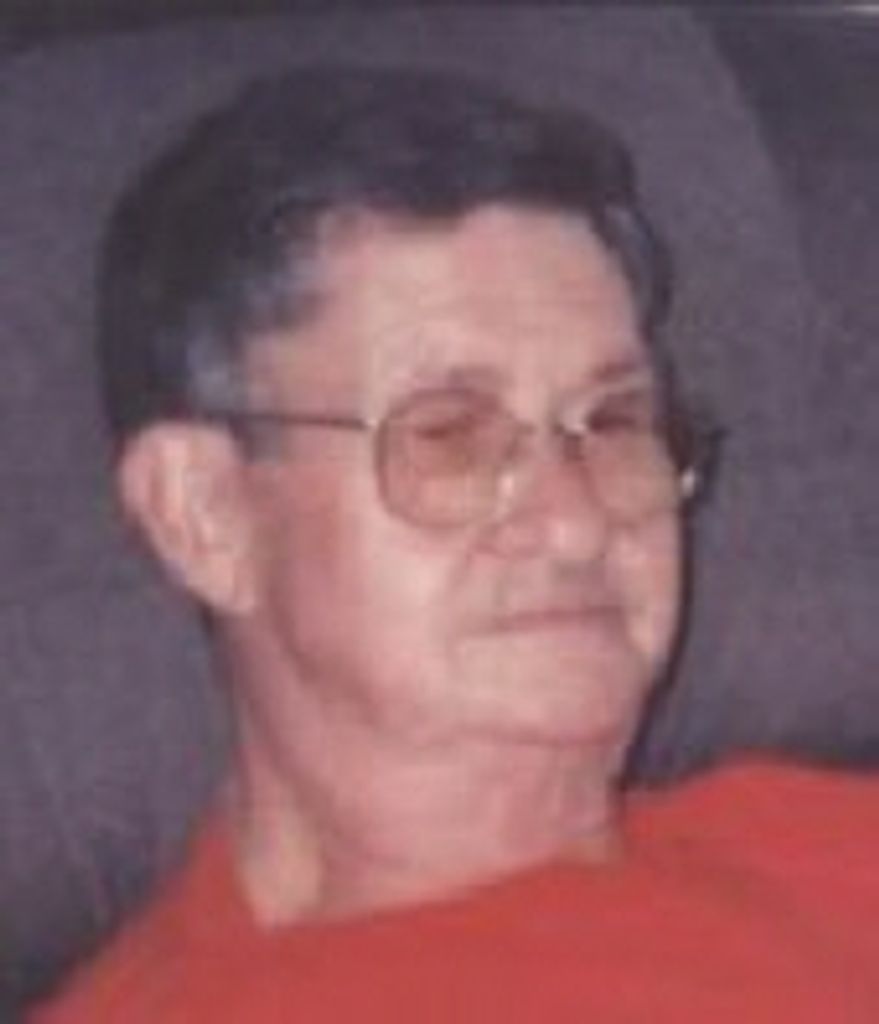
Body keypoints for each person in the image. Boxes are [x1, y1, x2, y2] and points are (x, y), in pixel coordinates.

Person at [32, 66, 879, 1023]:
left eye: (613, 420)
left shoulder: (795, 837)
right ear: (203, 514)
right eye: (449, 435)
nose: (576, 521)